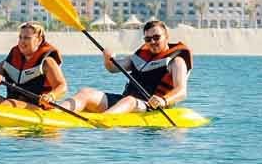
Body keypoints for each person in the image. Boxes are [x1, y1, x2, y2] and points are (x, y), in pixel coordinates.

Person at [58, 20, 192, 114]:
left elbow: (181, 91)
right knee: (85, 92)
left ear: (166, 36)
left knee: (129, 101)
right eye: (148, 39)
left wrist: (163, 101)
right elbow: (113, 68)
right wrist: (107, 59)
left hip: (150, 106)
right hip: (124, 102)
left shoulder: (176, 61)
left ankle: (102, 121)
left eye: (156, 37)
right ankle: (55, 112)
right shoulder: (140, 57)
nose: (152, 42)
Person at [0, 21, 68, 109]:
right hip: (12, 103)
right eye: (20, 37)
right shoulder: (14, 58)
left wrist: (51, 96)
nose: (22, 41)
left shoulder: (47, 62)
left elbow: (62, 86)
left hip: (37, 108)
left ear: (39, 40)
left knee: (8, 104)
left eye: (27, 38)